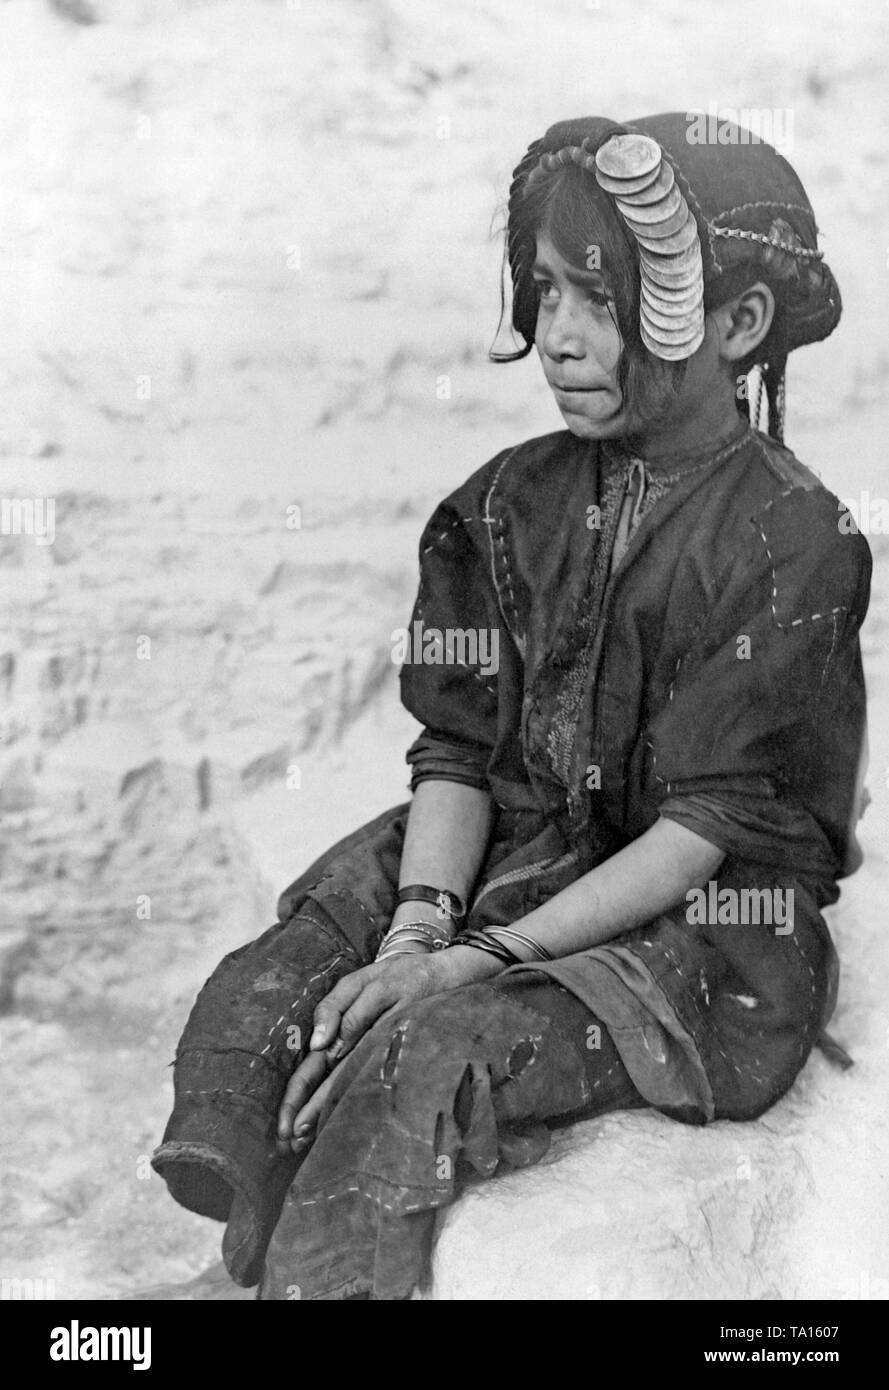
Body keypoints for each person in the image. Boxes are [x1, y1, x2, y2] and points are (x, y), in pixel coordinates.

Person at [152, 111, 871, 1301]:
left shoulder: (794, 538)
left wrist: (462, 971)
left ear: (738, 322)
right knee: (272, 996)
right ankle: (264, 1269)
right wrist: (415, 931)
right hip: (525, 847)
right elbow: (459, 751)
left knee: (422, 1058)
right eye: (547, 291)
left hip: (699, 915)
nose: (560, 338)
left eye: (606, 297)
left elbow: (704, 828)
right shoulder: (496, 507)